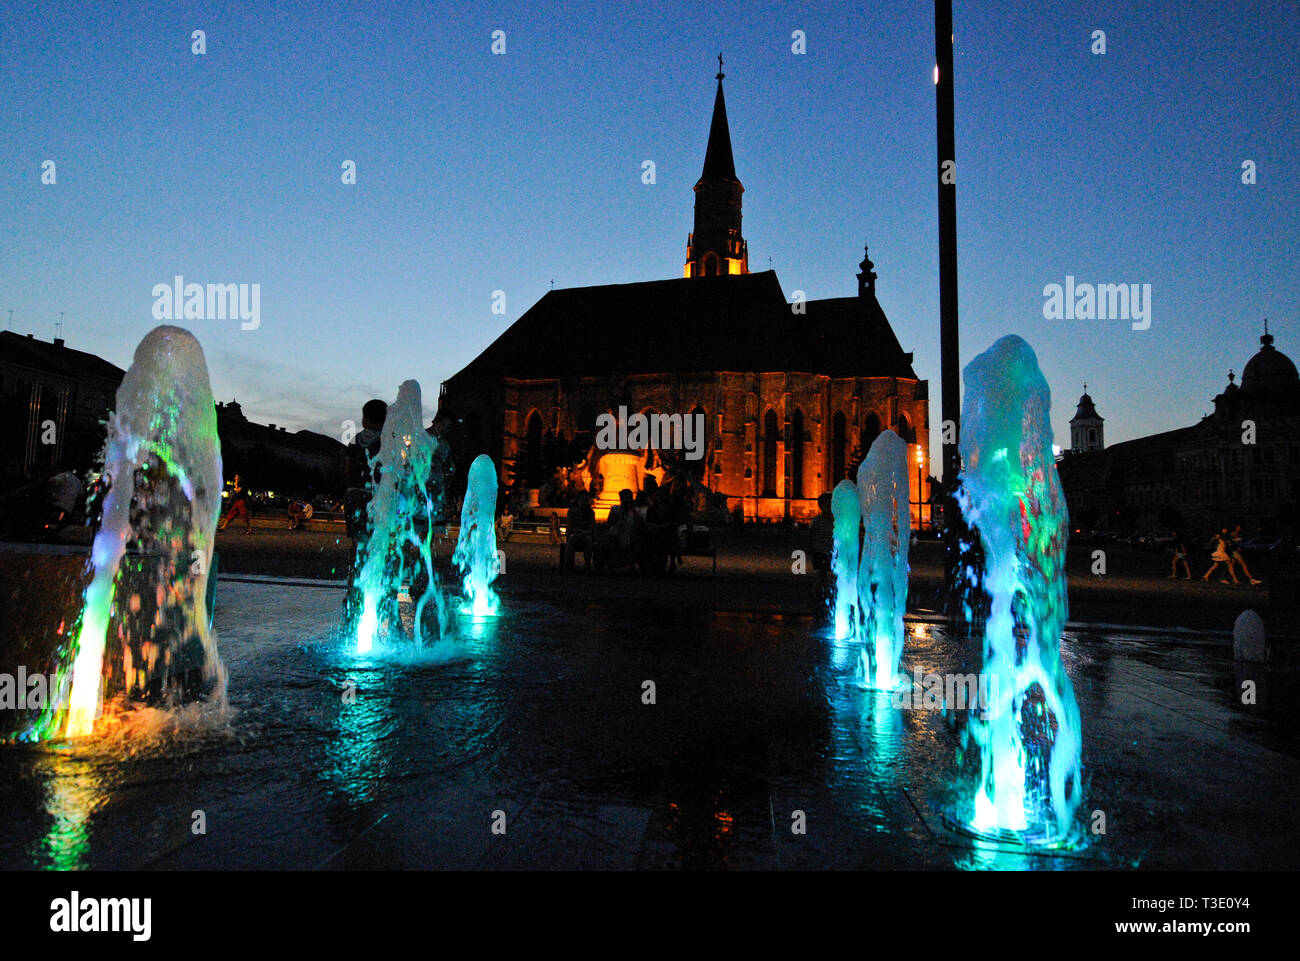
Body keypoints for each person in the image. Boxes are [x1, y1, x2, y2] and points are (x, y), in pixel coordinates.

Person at [343, 399, 387, 629]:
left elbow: (349, 470)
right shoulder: (386, 442)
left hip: (354, 496)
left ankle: (354, 588)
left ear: (364, 419)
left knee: (357, 544)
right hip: (374, 498)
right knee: (378, 544)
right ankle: (376, 588)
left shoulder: (355, 441)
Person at [564, 490, 596, 570]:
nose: (585, 503)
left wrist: (585, 532)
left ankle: (587, 565)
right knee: (572, 538)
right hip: (575, 533)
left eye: (586, 501)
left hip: (586, 534)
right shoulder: (572, 511)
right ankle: (569, 564)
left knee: (588, 539)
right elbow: (570, 526)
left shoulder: (591, 512)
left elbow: (592, 527)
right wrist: (579, 531)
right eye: (583, 500)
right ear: (578, 500)